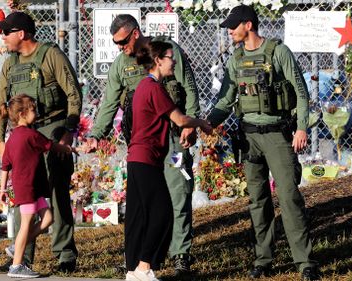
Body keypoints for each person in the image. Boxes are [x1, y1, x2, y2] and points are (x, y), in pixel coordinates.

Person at [206, 5, 320, 281]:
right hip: (248, 138)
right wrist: (207, 123)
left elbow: (301, 92)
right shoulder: (235, 58)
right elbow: (226, 97)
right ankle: (264, 259)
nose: (229, 30)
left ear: (249, 25)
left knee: (290, 198)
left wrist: (301, 128)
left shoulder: (278, 52)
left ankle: (305, 262)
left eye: (233, 25)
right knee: (258, 201)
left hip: (277, 135)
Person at [85, 14, 200, 277]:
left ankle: (180, 254)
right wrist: (97, 134)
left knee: (178, 190)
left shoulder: (165, 53)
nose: (120, 47)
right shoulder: (120, 65)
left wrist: (190, 125)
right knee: (139, 206)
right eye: (116, 43)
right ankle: (137, 262)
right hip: (143, 141)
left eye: (123, 41)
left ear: (136, 33)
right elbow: (109, 104)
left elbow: (189, 88)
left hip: (173, 137)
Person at [0, 11, 82, 273]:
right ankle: (21, 258)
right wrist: (0, 141)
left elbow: (73, 94)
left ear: (21, 34)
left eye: (5, 33)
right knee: (25, 197)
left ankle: (65, 254)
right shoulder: (10, 63)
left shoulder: (51, 54)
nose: (3, 38)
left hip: (53, 129)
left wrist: (68, 130)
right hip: (22, 136)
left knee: (56, 194)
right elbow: (0, 104)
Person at [125, 41, 212, 281]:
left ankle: (136, 269)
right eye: (170, 57)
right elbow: (181, 119)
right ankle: (144, 267)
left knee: (150, 209)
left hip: (153, 156)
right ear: (158, 61)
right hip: (148, 159)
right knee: (163, 212)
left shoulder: (145, 86)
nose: (174, 61)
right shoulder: (154, 88)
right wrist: (201, 123)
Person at [0, 94, 77, 278]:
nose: (36, 112)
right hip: (27, 187)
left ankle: (17, 246)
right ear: (22, 114)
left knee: (47, 218)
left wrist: (3, 188)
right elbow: (51, 146)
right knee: (26, 224)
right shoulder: (31, 135)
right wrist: (68, 148)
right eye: (33, 110)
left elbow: (5, 165)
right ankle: (16, 266)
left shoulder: (12, 139)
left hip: (32, 187)